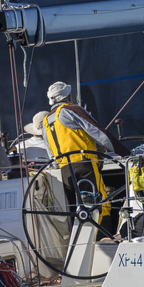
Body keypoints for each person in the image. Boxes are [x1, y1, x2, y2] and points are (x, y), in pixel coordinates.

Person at [42, 81, 130, 225]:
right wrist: (126, 154)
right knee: (99, 205)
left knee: (78, 210)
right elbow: (99, 133)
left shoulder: (45, 122)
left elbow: (51, 154)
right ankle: (103, 238)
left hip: (65, 172)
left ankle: (82, 242)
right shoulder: (72, 110)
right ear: (69, 96)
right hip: (85, 166)